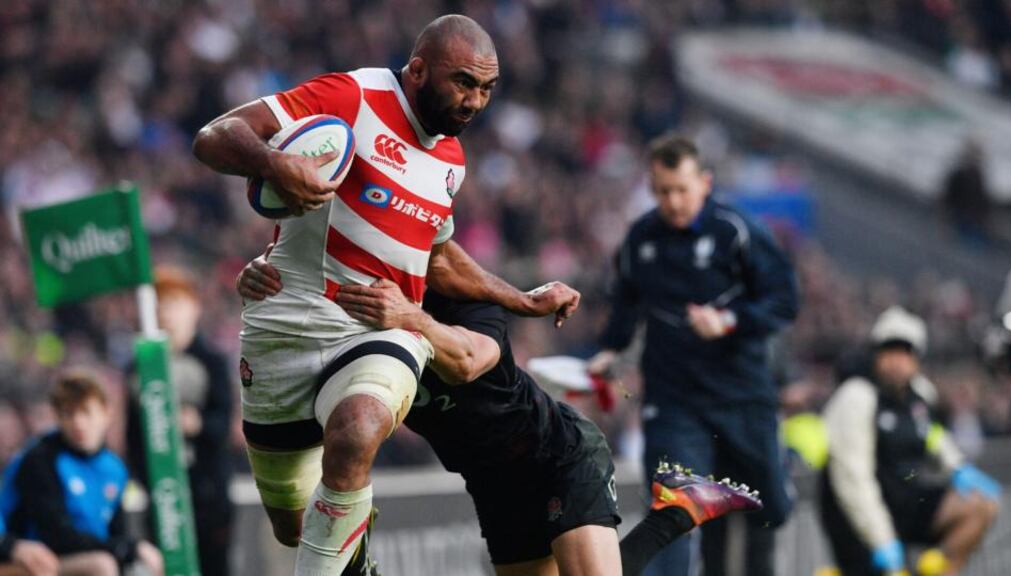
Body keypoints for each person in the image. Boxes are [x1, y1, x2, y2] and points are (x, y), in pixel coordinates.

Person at [193, 14, 579, 575]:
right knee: (293, 525)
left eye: (487, 89)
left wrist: (520, 299)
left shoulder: (451, 161)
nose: (474, 101)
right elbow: (213, 137)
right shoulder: (352, 95)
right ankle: (360, 557)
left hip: (378, 328)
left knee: (358, 428)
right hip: (286, 322)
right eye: (464, 82)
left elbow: (437, 256)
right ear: (418, 69)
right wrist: (275, 162)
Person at [238, 255, 763, 576]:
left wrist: (410, 317)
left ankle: (675, 514)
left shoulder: (466, 301)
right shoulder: (356, 322)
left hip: (554, 456)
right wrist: (266, 281)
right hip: (493, 486)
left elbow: (467, 362)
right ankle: (681, 505)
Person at [587, 133, 799, 576]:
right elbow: (626, 305)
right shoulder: (641, 239)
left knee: (771, 507)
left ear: (705, 182)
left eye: (682, 190)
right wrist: (609, 351)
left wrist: (730, 321)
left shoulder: (735, 232)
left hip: (742, 395)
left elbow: (784, 300)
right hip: (674, 404)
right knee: (674, 508)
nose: (673, 202)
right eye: (663, 191)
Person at [820, 307, 1000, 576]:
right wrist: (883, 540)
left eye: (906, 352)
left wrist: (958, 467)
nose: (897, 361)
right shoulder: (857, 397)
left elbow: (932, 434)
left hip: (905, 504)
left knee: (981, 506)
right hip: (856, 520)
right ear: (875, 354)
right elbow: (854, 480)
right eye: (889, 350)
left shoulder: (920, 393)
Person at [0, 369, 163, 576]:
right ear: (57, 417)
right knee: (101, 566)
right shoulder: (40, 460)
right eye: (68, 414)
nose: (78, 423)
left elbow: (119, 530)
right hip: (34, 560)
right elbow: (58, 536)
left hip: (83, 555)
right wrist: (127, 549)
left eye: (86, 412)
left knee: (146, 565)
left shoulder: (115, 468)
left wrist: (133, 549)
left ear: (106, 414)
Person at [127, 266, 234, 576]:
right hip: (163, 498)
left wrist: (197, 424)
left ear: (194, 308)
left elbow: (223, 424)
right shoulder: (139, 368)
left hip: (208, 495)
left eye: (174, 303)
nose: (166, 313)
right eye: (159, 304)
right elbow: (134, 437)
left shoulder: (210, 361)